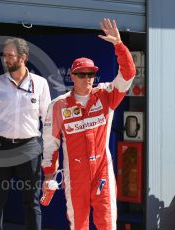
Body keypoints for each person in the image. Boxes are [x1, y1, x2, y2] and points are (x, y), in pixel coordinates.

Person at [42, 18, 136, 230]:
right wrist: (49, 175)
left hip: (102, 169)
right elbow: (50, 144)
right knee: (79, 225)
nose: (88, 78)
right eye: (83, 74)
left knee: (107, 223)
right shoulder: (58, 106)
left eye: (91, 73)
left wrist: (119, 46)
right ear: (73, 76)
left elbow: (128, 74)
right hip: (75, 174)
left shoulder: (106, 94)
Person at [0, 37, 51, 230]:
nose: (5, 59)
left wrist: (50, 155)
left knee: (32, 203)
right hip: (1, 147)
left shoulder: (40, 83)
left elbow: (48, 121)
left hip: (30, 147)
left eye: (10, 55)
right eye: (4, 55)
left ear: (23, 57)